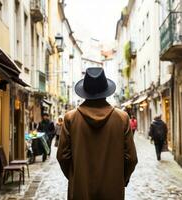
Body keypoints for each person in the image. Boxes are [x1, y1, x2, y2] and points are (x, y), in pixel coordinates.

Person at [57, 67, 137, 200]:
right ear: (106, 91)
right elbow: (131, 158)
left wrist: (75, 177)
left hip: (80, 191)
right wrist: (121, 180)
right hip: (113, 191)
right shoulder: (122, 118)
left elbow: (62, 156)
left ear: (84, 91)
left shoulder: (70, 118)